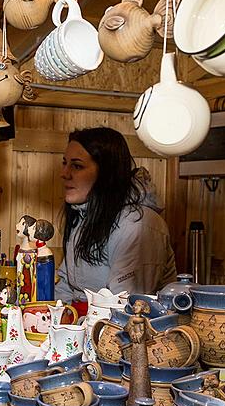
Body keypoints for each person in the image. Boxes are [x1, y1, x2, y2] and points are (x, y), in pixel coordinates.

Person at [55, 127, 176, 303]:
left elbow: (126, 308)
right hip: (87, 324)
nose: (64, 173)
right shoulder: (84, 216)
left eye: (77, 166)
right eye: (64, 163)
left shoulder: (138, 225)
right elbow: (67, 287)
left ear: (106, 173)